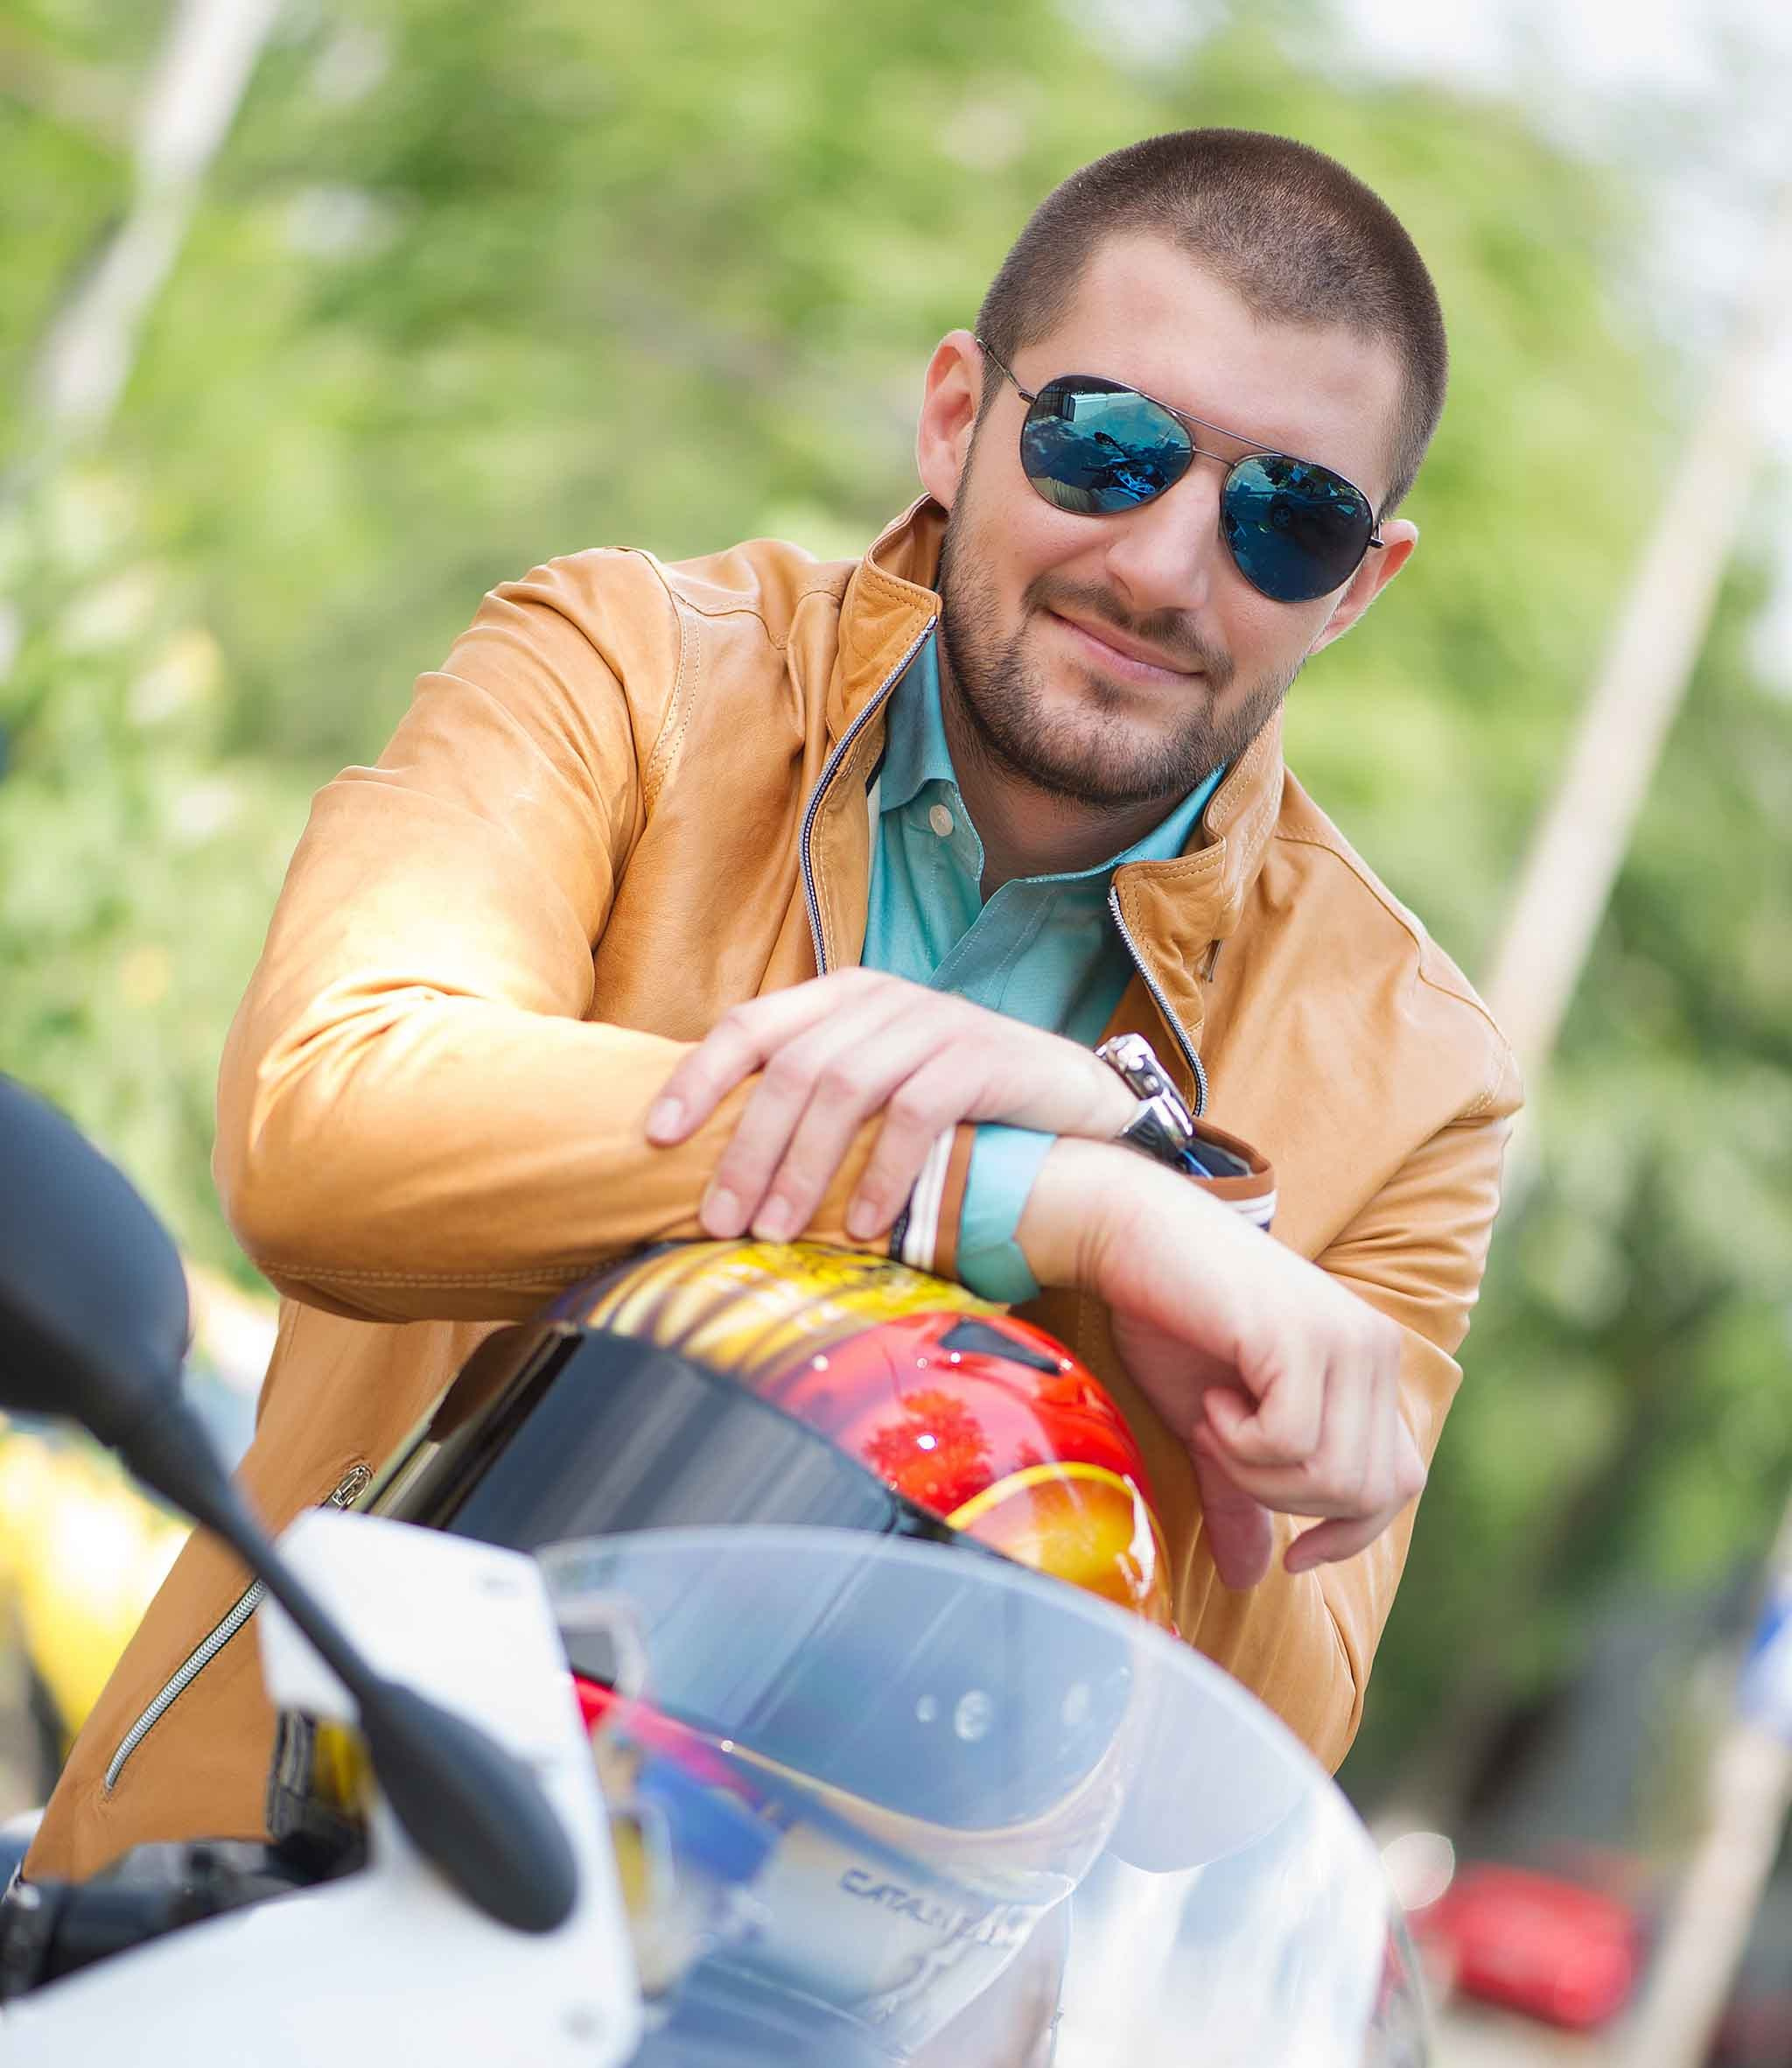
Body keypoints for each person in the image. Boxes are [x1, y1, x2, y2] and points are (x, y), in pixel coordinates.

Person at [30, 126, 1518, 1882]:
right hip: (246, 1890)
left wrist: (1159, 1199)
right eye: (1108, 444)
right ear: (956, 418)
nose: (1166, 568)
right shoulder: (626, 665)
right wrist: (1041, 1198)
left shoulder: (1421, 1076)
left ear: (1358, 586)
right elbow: (325, 1123)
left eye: (1288, 518)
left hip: (818, 2031)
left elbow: (1224, 1796)